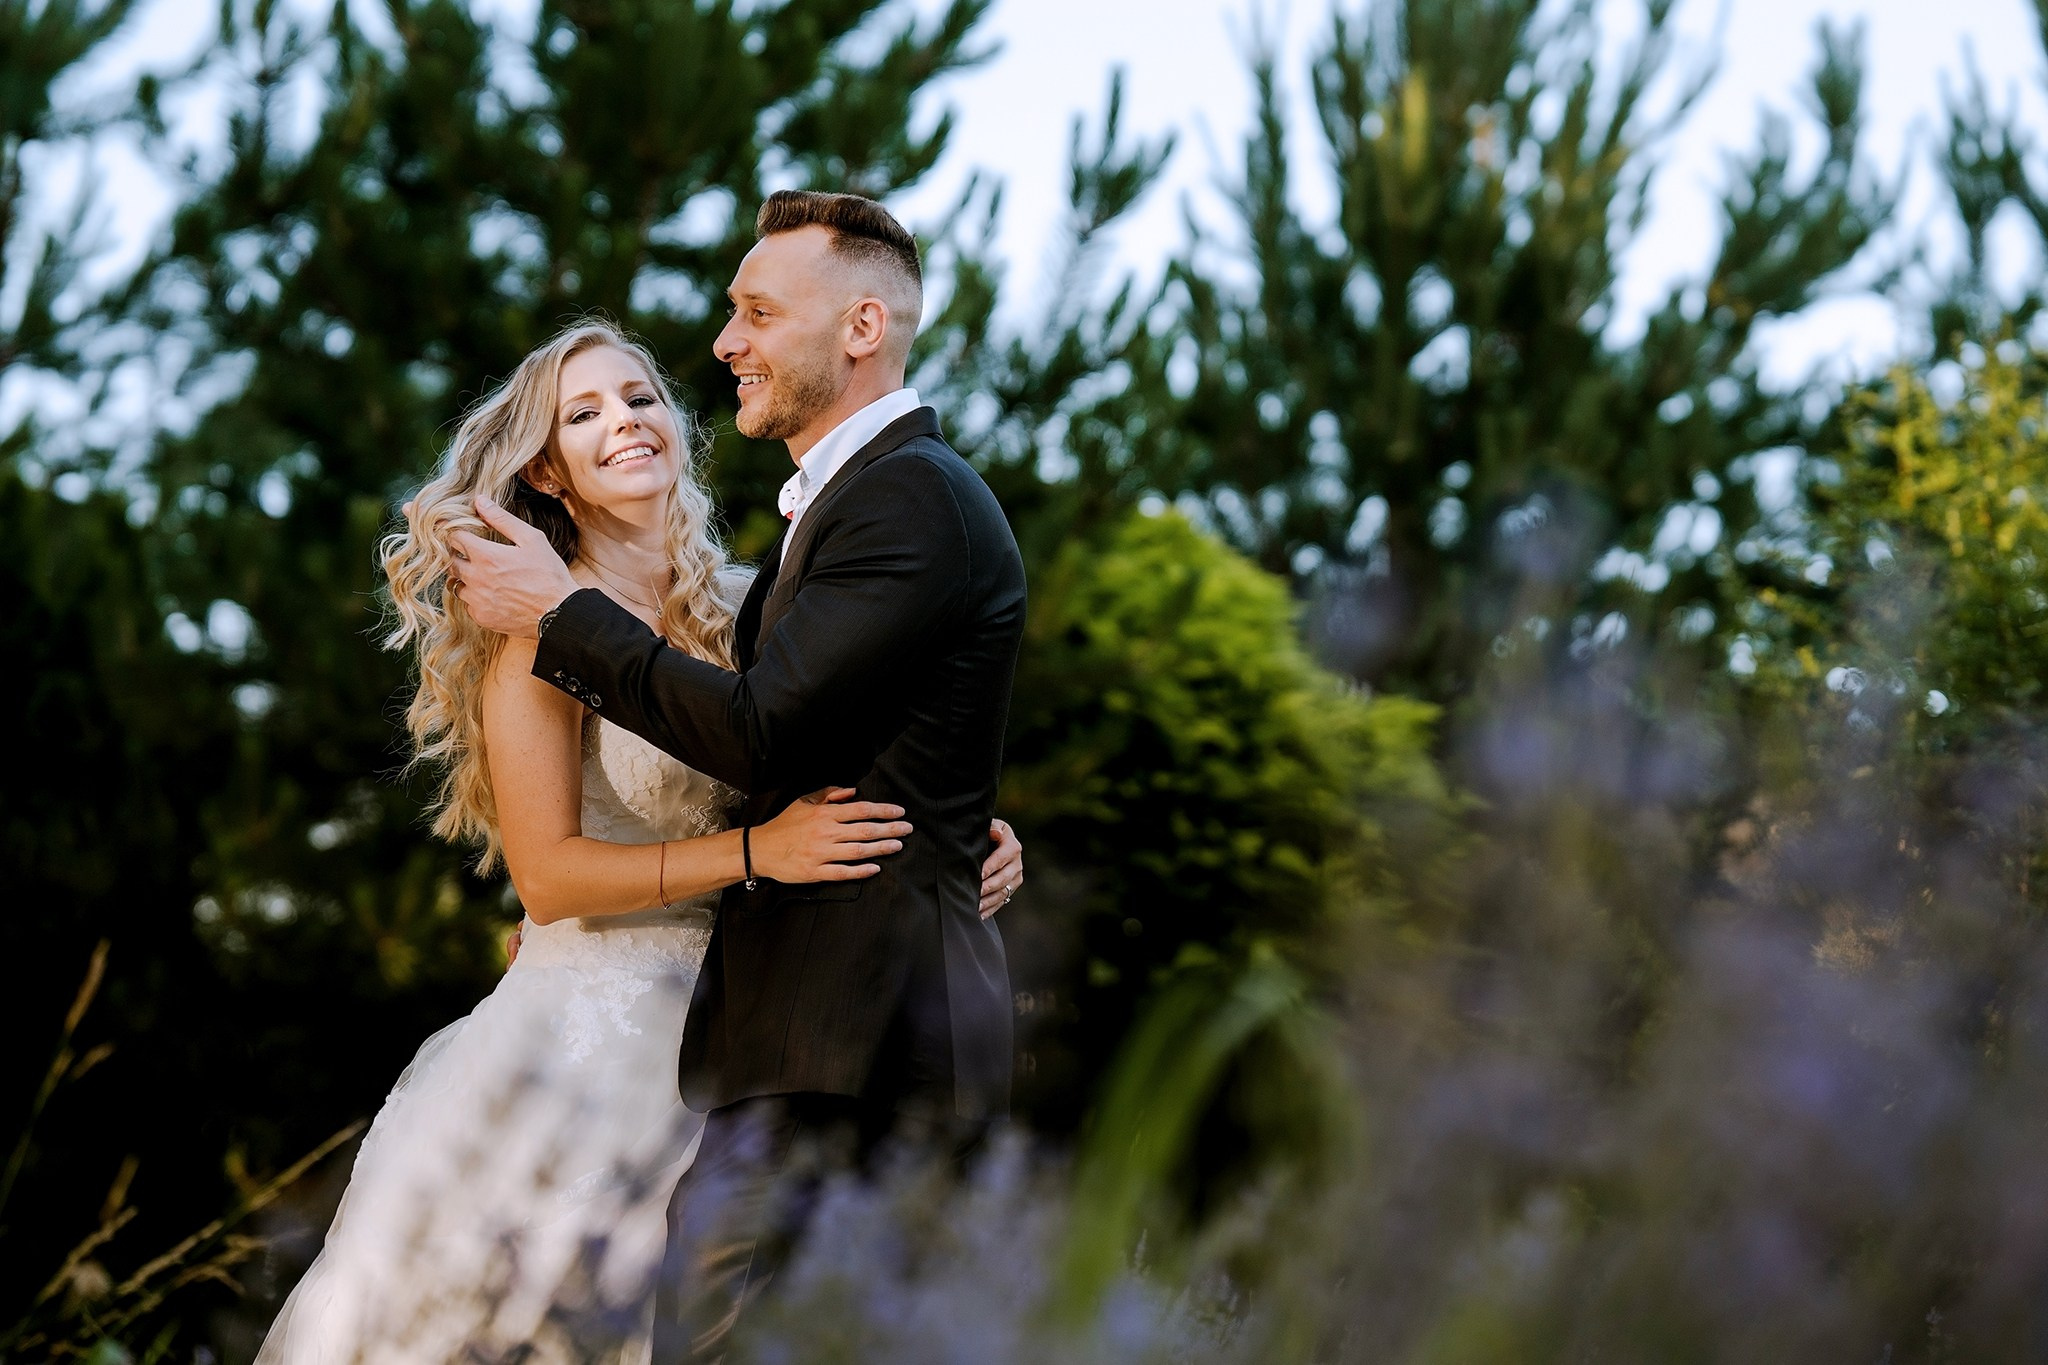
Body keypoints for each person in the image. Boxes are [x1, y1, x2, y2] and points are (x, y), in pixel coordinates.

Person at [256, 319, 1025, 1363]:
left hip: (756, 1015)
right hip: (589, 1038)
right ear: (548, 471)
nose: (624, 421)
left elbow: (851, 762)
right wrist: (756, 854)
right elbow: (547, 875)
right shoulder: (535, 635)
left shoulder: (759, 605)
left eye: (639, 397)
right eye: (584, 414)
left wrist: (968, 835)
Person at [452, 190, 1028, 1358]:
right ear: (546, 471)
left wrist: (952, 831)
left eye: (758, 313)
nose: (723, 343)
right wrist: (940, 819)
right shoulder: (816, 532)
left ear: (860, 328)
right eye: (731, 314)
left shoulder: (901, 499)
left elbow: (764, 735)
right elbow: (835, 731)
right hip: (719, 1031)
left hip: (842, 1040)